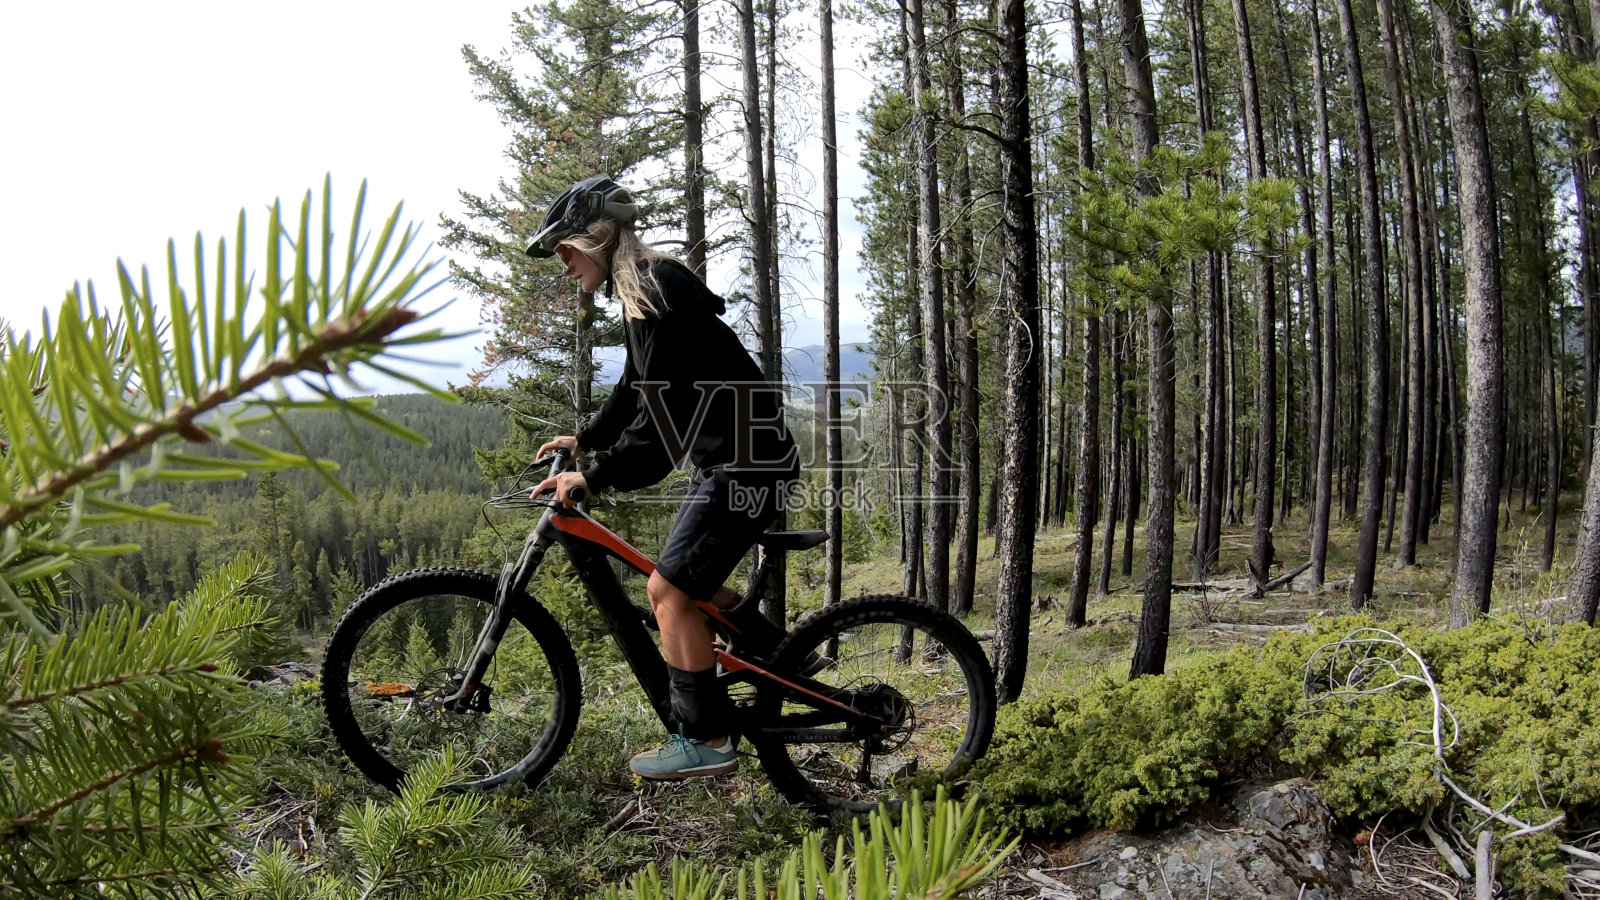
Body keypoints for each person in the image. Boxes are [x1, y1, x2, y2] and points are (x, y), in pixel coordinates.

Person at [527, 176, 799, 780]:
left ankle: (707, 737)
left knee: (667, 591)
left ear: (594, 237)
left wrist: (594, 479)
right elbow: (635, 386)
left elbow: (662, 425)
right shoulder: (643, 290)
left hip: (749, 463)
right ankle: (785, 660)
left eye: (566, 253)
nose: (566, 267)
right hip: (742, 459)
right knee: (682, 585)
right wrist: (589, 439)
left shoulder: (652, 287)